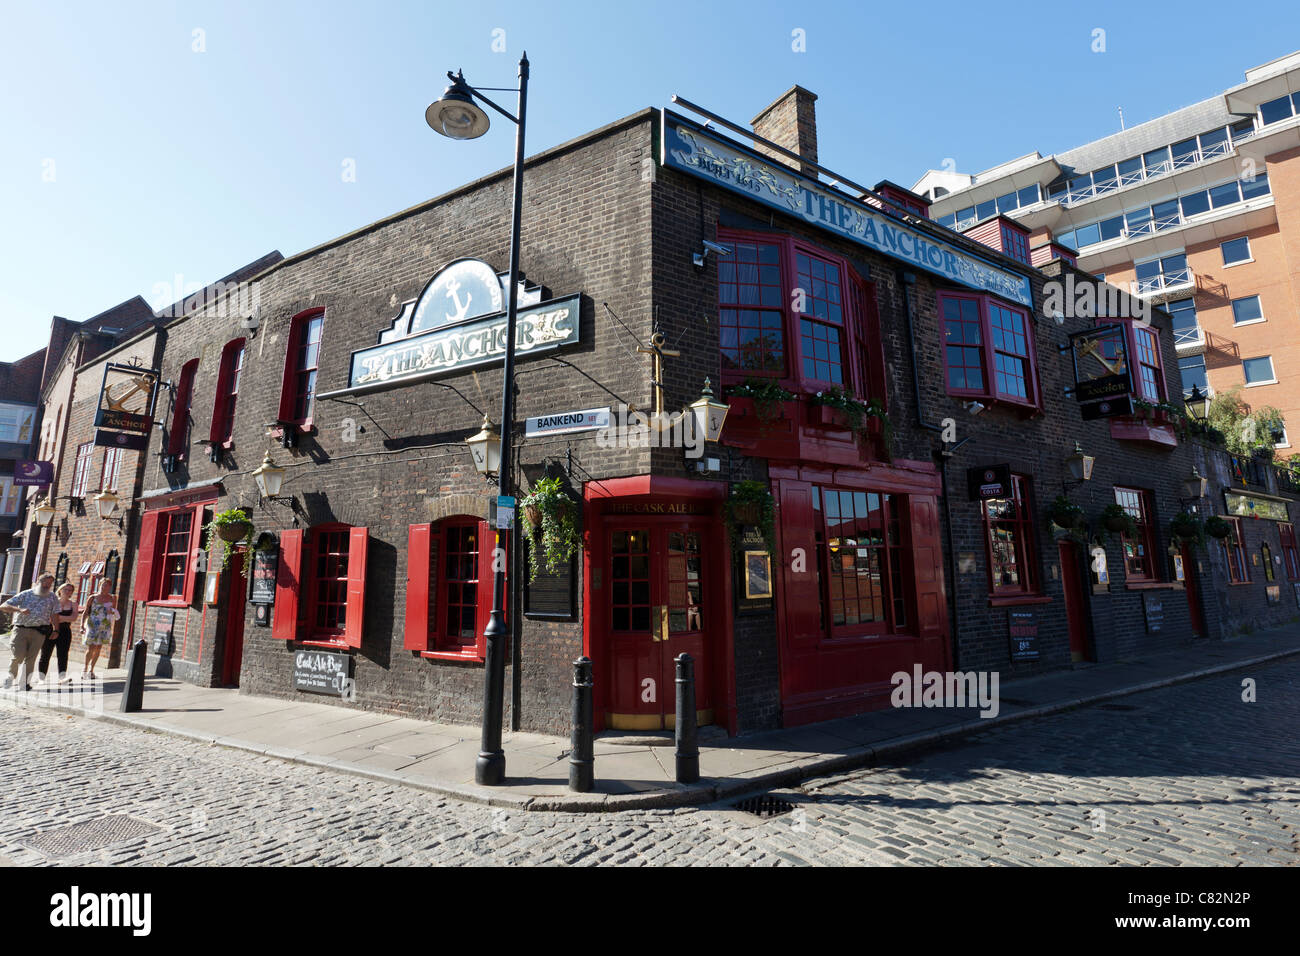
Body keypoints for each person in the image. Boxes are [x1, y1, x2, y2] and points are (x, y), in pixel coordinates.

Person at [1, 572, 60, 691]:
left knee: (31, 658)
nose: (47, 585)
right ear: (39, 582)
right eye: (45, 582)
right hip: (21, 629)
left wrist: (56, 629)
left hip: (39, 631)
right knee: (18, 656)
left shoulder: (52, 597)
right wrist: (19, 609)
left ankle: (25, 683)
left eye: (50, 583)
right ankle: (10, 677)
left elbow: (54, 614)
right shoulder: (26, 594)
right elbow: (3, 606)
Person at [37, 582, 78, 685]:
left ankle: (62, 678)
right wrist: (62, 619)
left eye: (70, 590)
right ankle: (41, 678)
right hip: (51, 630)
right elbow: (48, 617)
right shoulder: (52, 602)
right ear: (60, 590)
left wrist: (59, 618)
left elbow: (74, 618)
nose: (67, 592)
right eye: (65, 589)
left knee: (63, 655)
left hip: (65, 632)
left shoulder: (73, 604)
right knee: (45, 654)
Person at [80, 577, 118, 680]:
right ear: (99, 585)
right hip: (93, 624)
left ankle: (91, 670)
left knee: (98, 648)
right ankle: (85, 669)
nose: (105, 587)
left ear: (110, 587)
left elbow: (114, 611)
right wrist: (82, 625)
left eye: (107, 585)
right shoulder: (93, 597)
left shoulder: (112, 598)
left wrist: (112, 612)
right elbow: (86, 611)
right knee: (91, 647)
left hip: (105, 625)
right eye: (103, 584)